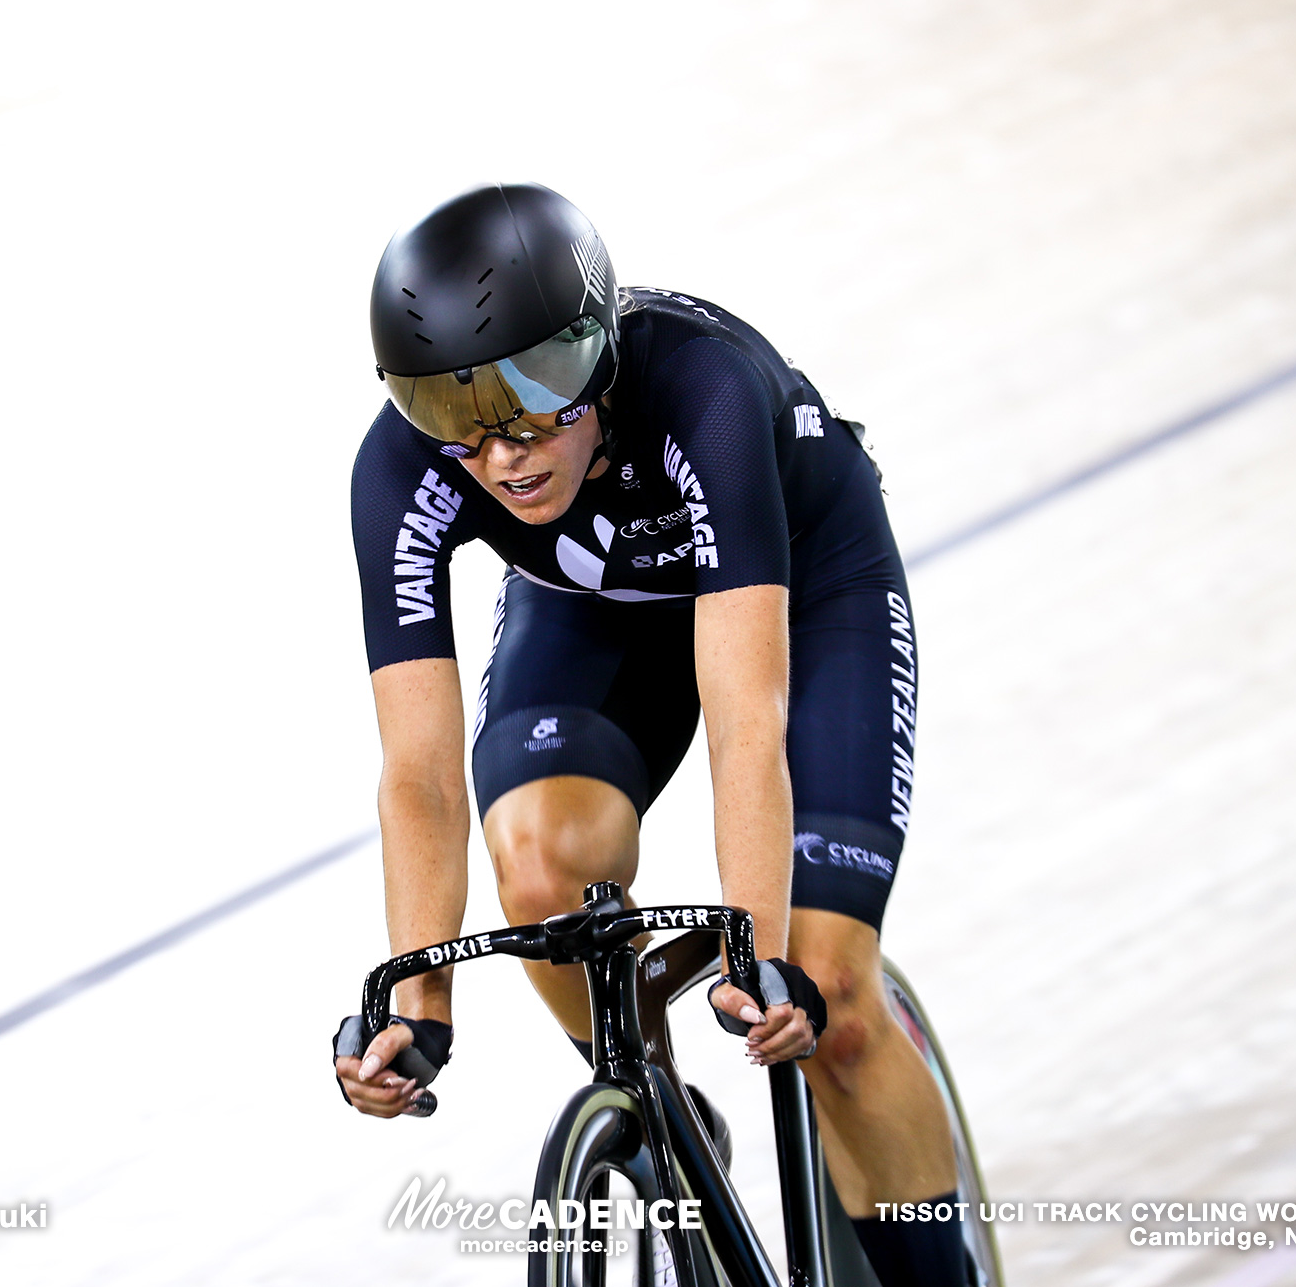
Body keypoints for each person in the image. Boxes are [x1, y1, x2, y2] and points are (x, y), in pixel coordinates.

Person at [331, 182, 966, 1285]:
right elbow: (420, 774)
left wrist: (759, 959)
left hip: (802, 592)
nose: (504, 453)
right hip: (595, 610)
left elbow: (745, 720)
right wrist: (416, 997)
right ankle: (669, 1136)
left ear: (596, 357)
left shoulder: (703, 393)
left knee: (832, 1001)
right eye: (456, 419)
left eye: (537, 400)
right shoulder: (398, 469)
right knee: (536, 868)